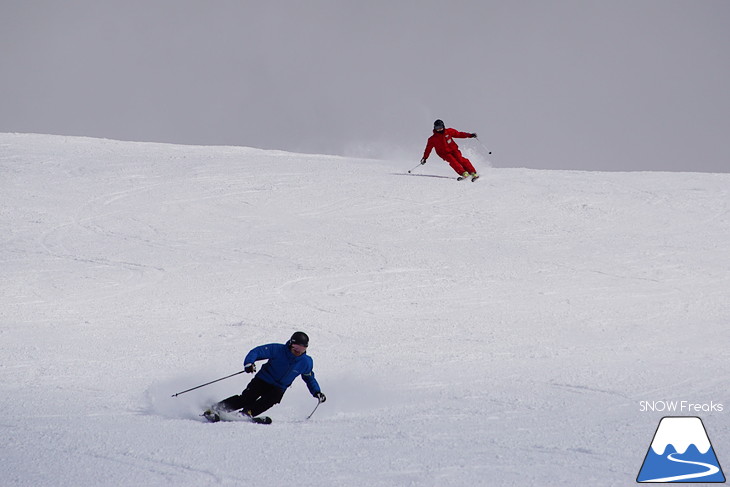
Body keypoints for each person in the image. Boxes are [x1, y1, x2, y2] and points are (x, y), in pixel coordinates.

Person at [204, 331, 326, 422]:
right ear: (291, 344)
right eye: (296, 348)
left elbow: (309, 378)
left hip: (279, 387)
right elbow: (257, 351)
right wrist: (249, 363)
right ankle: (217, 408)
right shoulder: (278, 350)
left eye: (302, 348)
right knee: (247, 398)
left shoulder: (306, 362)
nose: (298, 351)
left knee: (271, 400)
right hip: (263, 379)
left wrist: (317, 392)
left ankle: (247, 413)